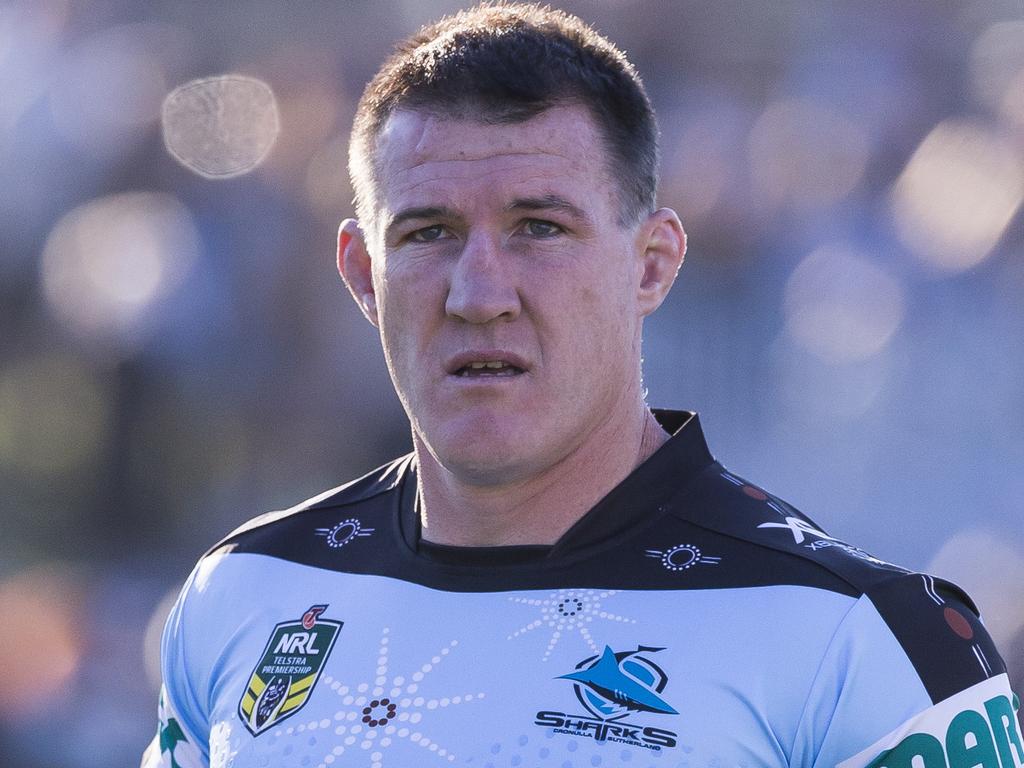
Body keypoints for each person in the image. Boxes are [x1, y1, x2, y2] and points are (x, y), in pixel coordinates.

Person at [142, 4, 1023, 767]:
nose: (479, 294)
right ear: (363, 274)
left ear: (652, 264)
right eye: (428, 234)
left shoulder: (863, 641)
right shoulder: (245, 592)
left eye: (539, 227)